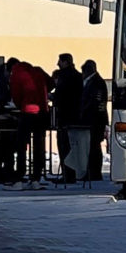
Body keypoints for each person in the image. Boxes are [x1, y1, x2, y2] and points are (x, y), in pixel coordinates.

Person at [50, 53, 85, 183]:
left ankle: (67, 175)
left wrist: (52, 97)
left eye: (59, 61)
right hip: (75, 117)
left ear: (65, 62)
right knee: (73, 147)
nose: (57, 63)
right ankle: (71, 174)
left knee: (64, 146)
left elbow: (61, 96)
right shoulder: (78, 76)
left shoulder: (65, 76)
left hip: (65, 116)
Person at [77, 58, 109, 183]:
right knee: (92, 146)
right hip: (94, 119)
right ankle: (92, 171)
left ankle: (94, 172)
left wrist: (84, 111)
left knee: (94, 146)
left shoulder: (97, 82)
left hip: (95, 119)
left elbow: (96, 102)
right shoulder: (93, 81)